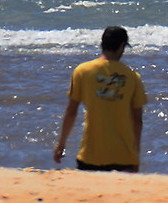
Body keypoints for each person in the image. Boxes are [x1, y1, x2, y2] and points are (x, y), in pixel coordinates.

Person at [55, 26, 146, 172]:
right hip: (123, 157)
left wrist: (61, 144)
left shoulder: (82, 71)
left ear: (102, 43)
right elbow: (137, 121)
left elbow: (71, 112)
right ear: (122, 46)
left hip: (90, 155)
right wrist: (135, 157)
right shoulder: (133, 77)